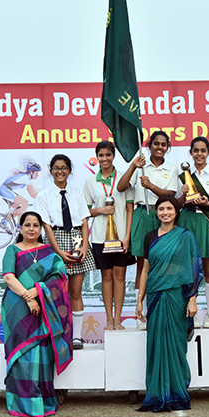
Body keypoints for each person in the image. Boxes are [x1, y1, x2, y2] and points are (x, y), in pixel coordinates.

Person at [1, 211, 73, 417]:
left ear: (41, 229)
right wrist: (28, 296)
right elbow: (8, 277)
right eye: (27, 225)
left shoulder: (49, 252)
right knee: (22, 353)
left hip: (44, 307)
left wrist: (38, 291)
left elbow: (59, 277)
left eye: (35, 225)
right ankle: (22, 403)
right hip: (17, 307)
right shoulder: (12, 250)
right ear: (20, 228)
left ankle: (42, 401)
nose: (31, 229)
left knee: (42, 354)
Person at [135, 195, 203, 412]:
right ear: (156, 212)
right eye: (161, 209)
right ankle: (157, 393)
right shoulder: (149, 237)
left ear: (176, 212)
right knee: (156, 344)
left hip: (177, 296)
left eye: (169, 209)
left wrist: (192, 299)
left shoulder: (185, 236)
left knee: (176, 343)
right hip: (155, 295)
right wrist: (139, 299)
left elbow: (194, 270)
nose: (165, 212)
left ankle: (177, 392)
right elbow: (145, 270)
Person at [117, 131, 178, 330]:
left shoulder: (172, 167)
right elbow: (121, 187)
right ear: (149, 145)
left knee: (165, 264)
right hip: (143, 215)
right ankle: (140, 312)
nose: (159, 147)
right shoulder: (141, 165)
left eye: (163, 144)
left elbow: (171, 195)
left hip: (164, 216)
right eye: (156, 143)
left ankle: (163, 308)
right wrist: (133, 166)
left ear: (167, 147)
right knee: (143, 265)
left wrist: (150, 185)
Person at [36, 154, 94, 350]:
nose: (60, 171)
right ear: (50, 171)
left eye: (63, 168)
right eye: (56, 168)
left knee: (76, 291)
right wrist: (58, 252)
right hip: (56, 240)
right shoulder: (44, 195)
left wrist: (84, 246)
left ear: (70, 170)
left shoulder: (77, 192)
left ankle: (76, 337)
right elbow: (46, 226)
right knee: (55, 292)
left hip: (77, 239)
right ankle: (57, 334)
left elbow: (84, 221)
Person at [178, 136, 209, 328]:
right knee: (188, 270)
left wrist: (208, 203)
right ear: (190, 153)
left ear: (208, 152)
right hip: (187, 221)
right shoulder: (183, 176)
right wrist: (183, 194)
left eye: (203, 150)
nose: (199, 154)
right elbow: (176, 204)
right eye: (195, 150)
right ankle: (192, 312)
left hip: (207, 222)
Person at [84, 141, 135, 331]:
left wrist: (127, 236)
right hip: (100, 237)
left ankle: (118, 319)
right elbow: (86, 211)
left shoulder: (124, 178)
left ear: (114, 156)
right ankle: (108, 319)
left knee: (120, 276)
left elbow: (130, 209)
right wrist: (101, 210)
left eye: (108, 155)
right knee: (106, 276)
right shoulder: (90, 182)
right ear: (97, 157)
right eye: (101, 155)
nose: (104, 159)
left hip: (121, 236)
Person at [0, 157, 42, 224]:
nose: (38, 175)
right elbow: (32, 194)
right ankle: (19, 225)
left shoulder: (26, 177)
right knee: (25, 203)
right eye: (36, 173)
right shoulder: (25, 178)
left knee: (17, 209)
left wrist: (43, 192)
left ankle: (3, 223)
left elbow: (34, 189)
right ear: (31, 172)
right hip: (4, 190)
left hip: (4, 190)